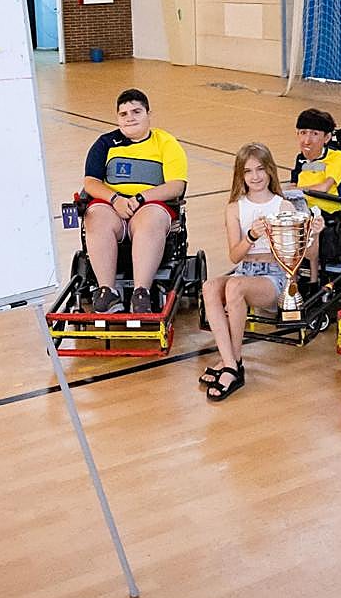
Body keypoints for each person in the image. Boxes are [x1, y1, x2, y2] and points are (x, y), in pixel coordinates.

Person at [199, 143, 322, 401]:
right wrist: (252, 236)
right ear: (240, 176)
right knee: (210, 287)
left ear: (269, 171)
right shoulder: (234, 208)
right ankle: (230, 361)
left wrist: (313, 234)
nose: (255, 176)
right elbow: (234, 255)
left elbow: (303, 257)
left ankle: (233, 365)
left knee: (234, 287)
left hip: (273, 276)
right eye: (248, 171)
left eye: (260, 169)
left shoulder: (283, 206)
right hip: (245, 269)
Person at [82, 88, 188, 314]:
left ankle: (142, 292)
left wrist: (140, 198)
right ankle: (107, 291)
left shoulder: (166, 143)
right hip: (113, 207)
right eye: (124, 114)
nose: (130, 117)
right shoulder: (105, 143)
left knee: (151, 220)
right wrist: (115, 199)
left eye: (136, 111)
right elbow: (90, 182)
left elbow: (176, 185)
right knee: (94, 217)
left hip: (149, 205)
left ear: (149, 114)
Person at [290, 108, 341, 276]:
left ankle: (312, 279)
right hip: (301, 208)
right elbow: (293, 186)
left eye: (314, 134)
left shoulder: (336, 158)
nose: (307, 139)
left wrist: (298, 191)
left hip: (326, 212)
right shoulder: (300, 159)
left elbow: (324, 187)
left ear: (327, 137)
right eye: (303, 133)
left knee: (309, 225)